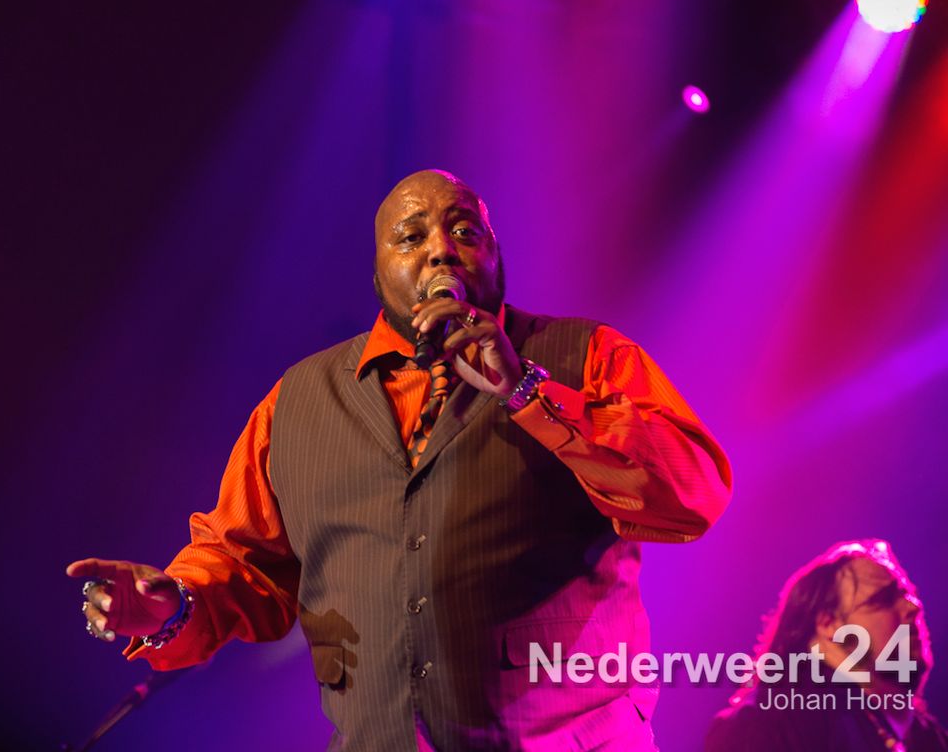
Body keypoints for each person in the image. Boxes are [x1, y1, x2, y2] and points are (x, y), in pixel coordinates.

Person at [68, 169, 733, 751]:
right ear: (378, 270)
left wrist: (527, 391)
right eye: (411, 237)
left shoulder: (585, 356)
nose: (441, 249)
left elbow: (692, 492)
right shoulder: (297, 401)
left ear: (496, 254)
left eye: (464, 232)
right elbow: (240, 563)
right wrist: (174, 606)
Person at [706, 538, 947, 752]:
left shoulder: (929, 737)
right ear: (828, 624)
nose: (913, 606)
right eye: (883, 600)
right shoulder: (770, 725)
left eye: (906, 593)